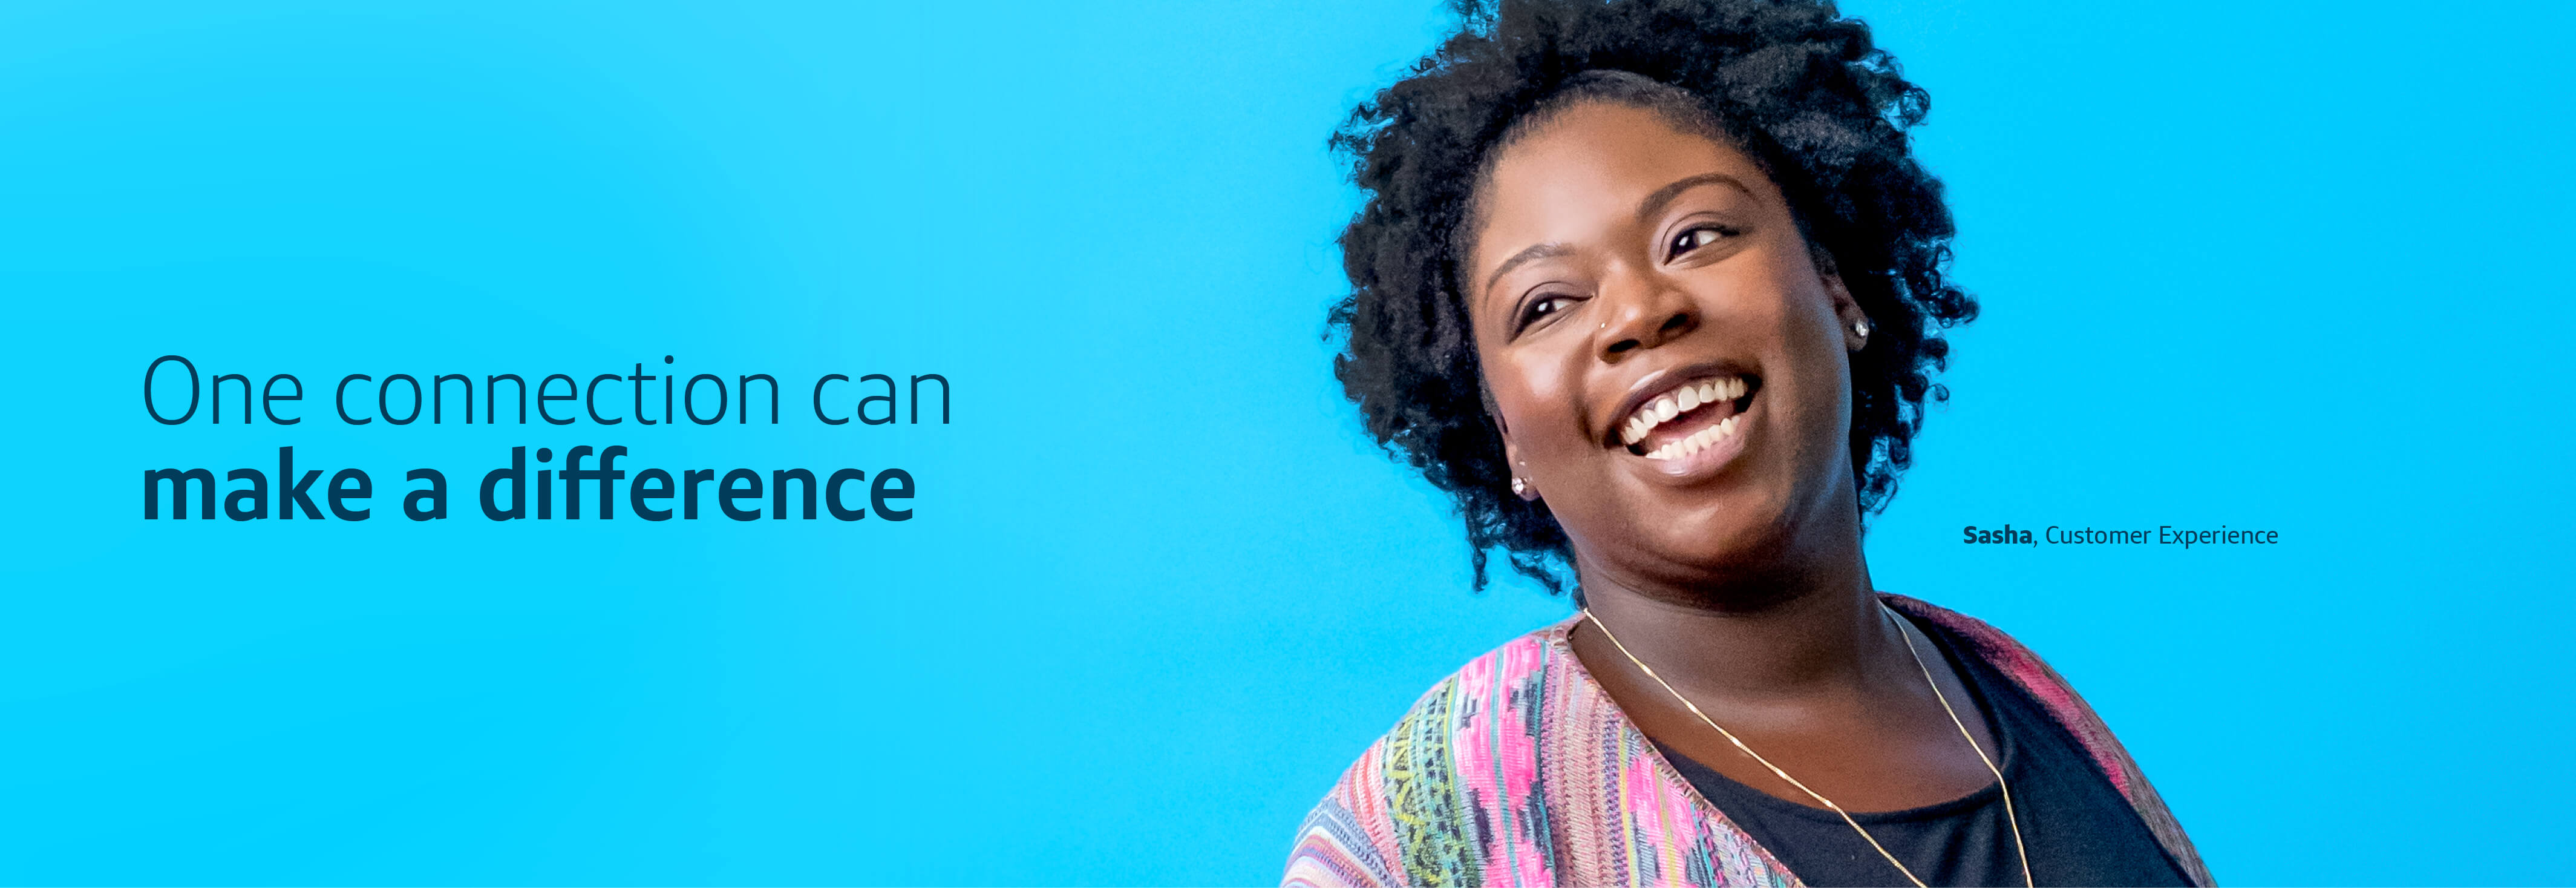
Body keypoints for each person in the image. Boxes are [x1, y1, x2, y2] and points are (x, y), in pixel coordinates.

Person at [1285, 1, 2211, 885]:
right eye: (1546, 306)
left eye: (1694, 237)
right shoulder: (1423, 835)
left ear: (1837, 291)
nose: (1642, 312)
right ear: (1506, 440)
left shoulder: (2019, 697)